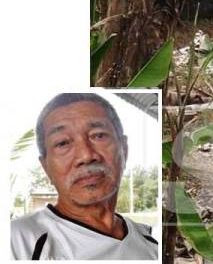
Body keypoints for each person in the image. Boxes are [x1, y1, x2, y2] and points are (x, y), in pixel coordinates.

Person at [11, 93, 158, 260]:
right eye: (63, 143)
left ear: (124, 149)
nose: (86, 156)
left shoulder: (151, 241)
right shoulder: (17, 242)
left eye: (98, 135)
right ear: (46, 167)